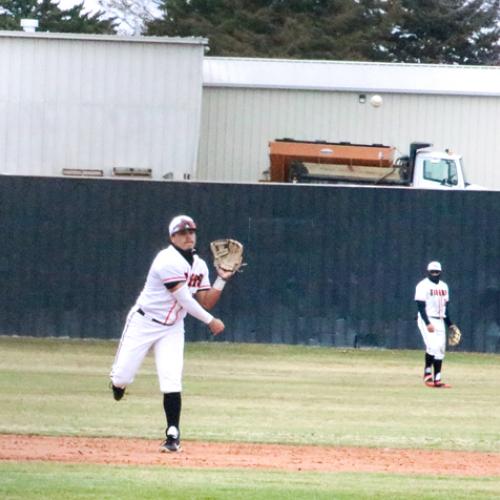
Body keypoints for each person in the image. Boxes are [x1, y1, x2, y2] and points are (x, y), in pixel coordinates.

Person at [110, 214, 235, 452]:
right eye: (182, 233)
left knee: (171, 379)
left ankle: (172, 434)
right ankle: (118, 385)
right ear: (172, 237)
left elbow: (205, 301)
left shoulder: (199, 265)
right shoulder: (165, 260)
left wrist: (221, 279)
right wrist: (211, 322)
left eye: (191, 232)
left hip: (173, 328)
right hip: (144, 323)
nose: (188, 236)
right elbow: (185, 299)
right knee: (122, 377)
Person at [414, 261, 453, 388]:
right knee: (433, 346)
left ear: (440, 273)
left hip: (440, 319)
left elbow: (445, 308)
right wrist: (427, 323)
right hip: (426, 318)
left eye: (437, 272)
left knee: (440, 349)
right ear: (428, 272)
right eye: (432, 272)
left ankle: (437, 379)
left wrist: (450, 324)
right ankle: (427, 373)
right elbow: (420, 306)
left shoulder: (444, 286)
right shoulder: (422, 285)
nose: (434, 274)